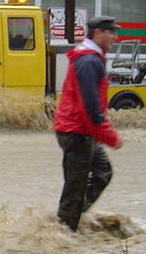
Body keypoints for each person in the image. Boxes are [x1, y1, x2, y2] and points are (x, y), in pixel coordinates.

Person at [53, 16, 123, 231]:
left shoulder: (90, 57)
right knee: (76, 187)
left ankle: (70, 218)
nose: (114, 37)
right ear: (98, 33)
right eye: (110, 32)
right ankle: (64, 233)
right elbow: (89, 104)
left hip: (79, 130)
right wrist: (109, 135)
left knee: (102, 172)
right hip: (77, 132)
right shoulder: (89, 60)